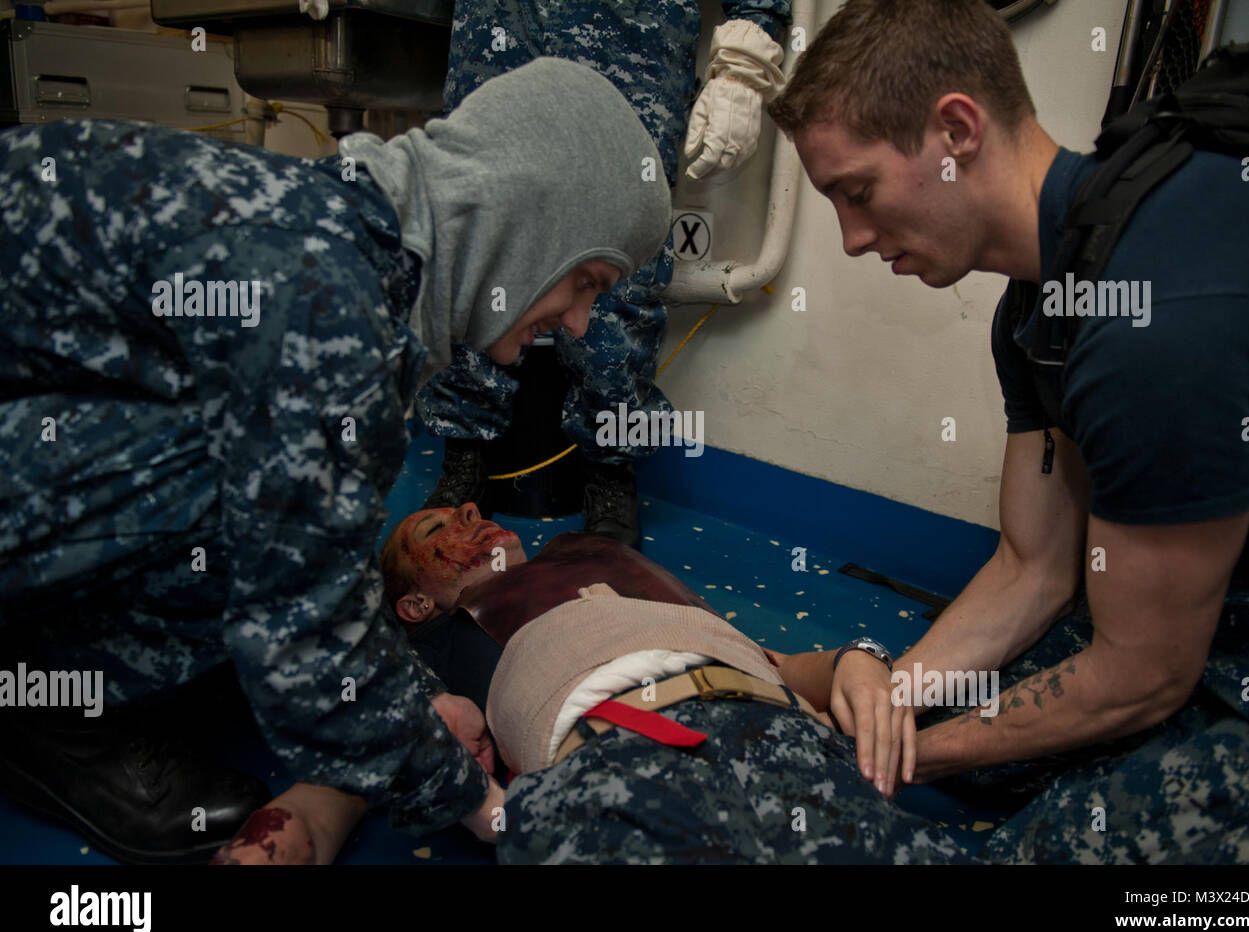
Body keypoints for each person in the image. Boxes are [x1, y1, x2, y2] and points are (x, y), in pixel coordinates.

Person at [0, 58, 669, 863]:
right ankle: (51, 715)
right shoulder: (325, 298)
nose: (581, 323)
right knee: (250, 500)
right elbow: (303, 626)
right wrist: (482, 806)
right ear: (525, 220)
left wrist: (412, 700)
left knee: (295, 492)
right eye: (587, 281)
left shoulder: (337, 224)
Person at [766, 0, 1249, 862]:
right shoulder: (1045, 296)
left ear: (955, 130)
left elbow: (1145, 673)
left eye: (857, 193)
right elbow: (1036, 564)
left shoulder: (1151, 324)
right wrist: (895, 703)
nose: (853, 237)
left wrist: (901, 753)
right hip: (1192, 593)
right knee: (946, 717)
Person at [366, 504, 972, 865]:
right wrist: (492, 812)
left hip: (779, 726)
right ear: (416, 605)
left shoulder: (595, 560)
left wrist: (857, 656)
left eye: (467, 509)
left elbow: (785, 666)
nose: (471, 514)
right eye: (437, 528)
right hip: (620, 758)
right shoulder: (430, 649)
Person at [419, 0, 791, 549]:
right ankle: (464, 452)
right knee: (476, 222)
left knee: (619, 257)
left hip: (628, 28)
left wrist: (744, 57)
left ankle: (611, 471)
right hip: (498, 23)